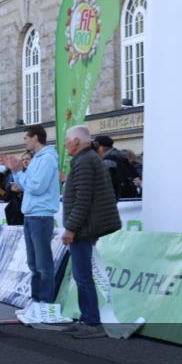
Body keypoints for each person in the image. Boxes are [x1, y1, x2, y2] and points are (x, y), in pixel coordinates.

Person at [61, 125, 122, 339]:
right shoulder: (87, 159)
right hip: (86, 227)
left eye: (67, 141)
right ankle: (87, 318)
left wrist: (71, 228)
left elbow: (83, 200)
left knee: (83, 275)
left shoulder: (85, 161)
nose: (65, 144)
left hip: (82, 228)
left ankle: (92, 322)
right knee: (82, 275)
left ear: (77, 141)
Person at [2, 125, 60, 313]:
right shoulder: (37, 159)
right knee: (34, 264)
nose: (24, 141)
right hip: (31, 215)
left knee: (43, 264)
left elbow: (36, 187)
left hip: (41, 215)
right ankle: (36, 302)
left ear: (35, 138)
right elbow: (26, 185)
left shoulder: (47, 158)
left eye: (26, 138)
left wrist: (19, 173)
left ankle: (45, 304)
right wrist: (16, 171)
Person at [92, 135, 140, 199]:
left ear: (102, 147)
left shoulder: (107, 162)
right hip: (129, 198)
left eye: (96, 147)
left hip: (115, 199)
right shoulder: (123, 159)